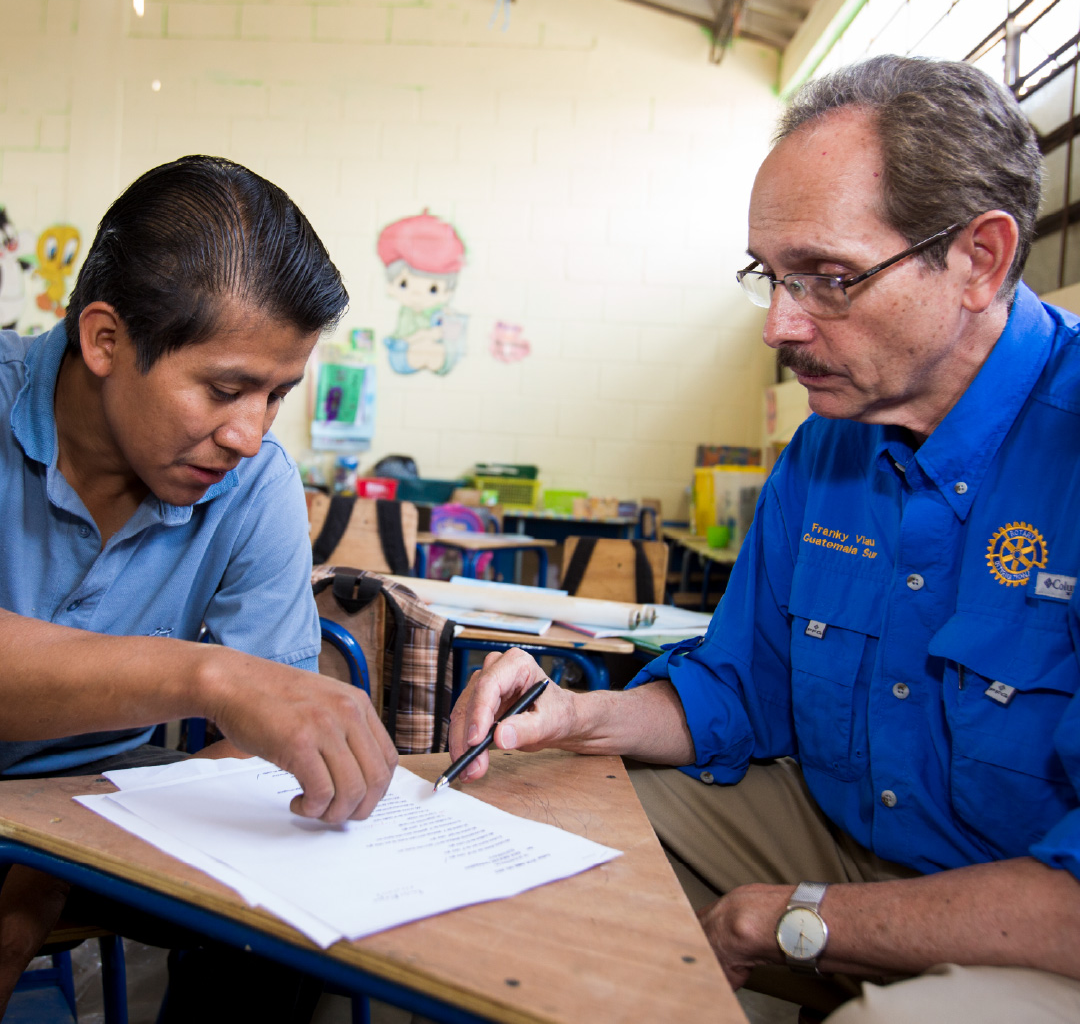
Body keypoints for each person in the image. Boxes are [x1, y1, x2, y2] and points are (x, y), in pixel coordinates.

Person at [449, 55, 1080, 1023]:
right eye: (770, 276)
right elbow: (743, 690)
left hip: (1038, 907)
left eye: (828, 277)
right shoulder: (825, 452)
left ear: (981, 260)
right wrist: (575, 712)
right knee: (495, 821)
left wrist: (801, 917)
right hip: (842, 831)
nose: (780, 325)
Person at [0, 155, 398, 1019]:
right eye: (224, 388)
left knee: (288, 900)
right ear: (105, 339)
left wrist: (47, 855)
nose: (249, 434)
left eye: (276, 395)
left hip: (101, 796)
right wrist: (209, 674)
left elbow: (265, 743)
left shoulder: (252, 487)